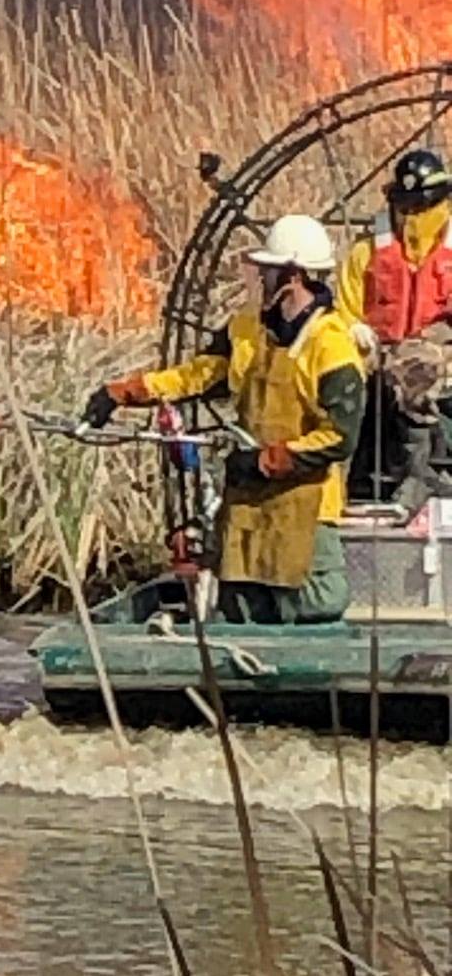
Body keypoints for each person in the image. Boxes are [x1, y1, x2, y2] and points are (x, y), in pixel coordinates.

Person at [83, 214, 365, 624]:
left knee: (321, 600)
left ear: (293, 277)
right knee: (240, 601)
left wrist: (267, 461)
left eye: (269, 271)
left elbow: (340, 437)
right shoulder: (246, 329)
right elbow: (197, 376)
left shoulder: (332, 346)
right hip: (248, 499)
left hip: (308, 503)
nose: (261, 279)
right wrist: (124, 393)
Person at [338, 148, 452, 501]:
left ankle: (421, 473)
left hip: (438, 359)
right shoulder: (367, 251)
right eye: (406, 206)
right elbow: (345, 307)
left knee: (417, 370)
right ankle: (354, 480)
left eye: (421, 206)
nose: (413, 215)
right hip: (376, 354)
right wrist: (354, 330)